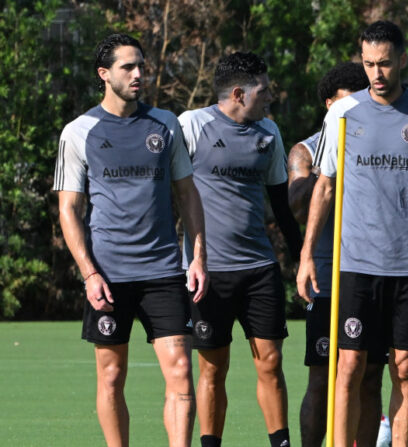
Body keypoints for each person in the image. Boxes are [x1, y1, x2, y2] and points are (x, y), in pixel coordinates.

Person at [296, 20, 408, 447]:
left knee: (404, 369)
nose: (377, 73)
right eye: (368, 64)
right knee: (348, 366)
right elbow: (325, 187)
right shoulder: (343, 113)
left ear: (402, 60)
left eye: (385, 63)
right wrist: (306, 255)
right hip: (355, 266)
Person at [54, 33, 208, 447]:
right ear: (104, 74)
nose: (139, 73)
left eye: (141, 65)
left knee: (180, 371)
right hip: (107, 275)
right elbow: (69, 209)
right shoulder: (79, 131)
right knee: (111, 375)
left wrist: (197, 257)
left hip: (163, 272)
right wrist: (88, 274)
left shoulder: (166, 125)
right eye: (128, 67)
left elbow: (187, 193)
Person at [178, 52, 303, 447]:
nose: (270, 97)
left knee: (271, 363)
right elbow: (170, 197)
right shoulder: (192, 125)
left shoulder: (269, 132)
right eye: (263, 91)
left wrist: (303, 259)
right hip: (208, 273)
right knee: (213, 368)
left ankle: (280, 443)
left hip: (260, 270)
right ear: (238, 93)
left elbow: (281, 206)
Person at [287, 62, 388, 447]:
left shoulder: (377, 144)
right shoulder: (306, 151)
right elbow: (297, 204)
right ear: (329, 104)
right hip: (329, 279)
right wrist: (331, 169)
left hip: (373, 273)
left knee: (371, 374)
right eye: (344, 105)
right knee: (322, 377)